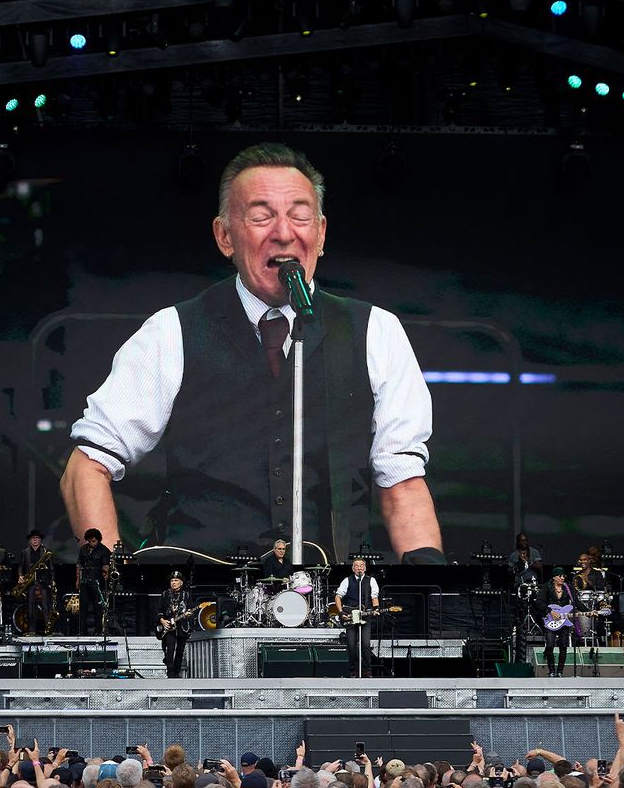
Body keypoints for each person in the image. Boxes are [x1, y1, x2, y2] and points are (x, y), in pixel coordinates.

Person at [61, 142, 444, 564]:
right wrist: (117, 580)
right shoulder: (172, 331)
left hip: (328, 603)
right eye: (261, 216)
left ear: (320, 234)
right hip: (200, 603)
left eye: (299, 216)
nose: (283, 232)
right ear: (225, 236)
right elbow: (87, 465)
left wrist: (431, 592)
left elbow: (402, 484)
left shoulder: (376, 332)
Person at [533, 567, 590, 677]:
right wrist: (549, 611)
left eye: (564, 576)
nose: (562, 578)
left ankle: (559, 671)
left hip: (564, 621)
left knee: (563, 646)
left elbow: (576, 603)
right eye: (560, 576)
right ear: (554, 577)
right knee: (550, 645)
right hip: (551, 621)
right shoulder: (547, 587)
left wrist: (588, 612)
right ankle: (551, 670)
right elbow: (539, 602)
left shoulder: (568, 588)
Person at [333, 556, 380, 677]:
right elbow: (338, 596)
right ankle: (352, 669)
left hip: (365, 615)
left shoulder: (371, 580)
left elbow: (374, 596)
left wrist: (375, 608)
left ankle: (367, 670)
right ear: (353, 568)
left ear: (365, 568)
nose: (359, 568)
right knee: (351, 644)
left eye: (361, 566)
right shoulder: (347, 580)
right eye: (357, 566)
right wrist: (341, 612)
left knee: (365, 644)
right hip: (350, 615)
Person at [157, 571, 193, 677]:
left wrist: (188, 614)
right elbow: (159, 610)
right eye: (172, 580)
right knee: (170, 649)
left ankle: (176, 673)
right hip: (168, 627)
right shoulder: (165, 594)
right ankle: (170, 673)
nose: (173, 582)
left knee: (180, 651)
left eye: (176, 580)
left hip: (182, 627)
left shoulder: (186, 595)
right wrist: (162, 621)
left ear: (181, 583)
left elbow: (190, 609)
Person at [76, 528, 112, 635]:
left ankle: (98, 630)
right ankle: (82, 631)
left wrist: (106, 575)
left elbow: (106, 566)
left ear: (98, 540)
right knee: (83, 607)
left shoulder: (104, 550)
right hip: (85, 581)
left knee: (98, 607)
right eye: (89, 541)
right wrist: (78, 579)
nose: (91, 543)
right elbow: (79, 564)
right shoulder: (83, 549)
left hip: (97, 581)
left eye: (93, 541)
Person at [18, 529, 54, 635]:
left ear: (40, 540)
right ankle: (32, 630)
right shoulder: (25, 552)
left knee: (46, 607)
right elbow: (20, 566)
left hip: (43, 583)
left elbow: (52, 568)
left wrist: (52, 580)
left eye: (37, 538)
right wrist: (20, 576)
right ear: (30, 540)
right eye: (33, 538)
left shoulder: (46, 552)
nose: (35, 540)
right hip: (30, 584)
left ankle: (49, 630)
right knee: (31, 608)